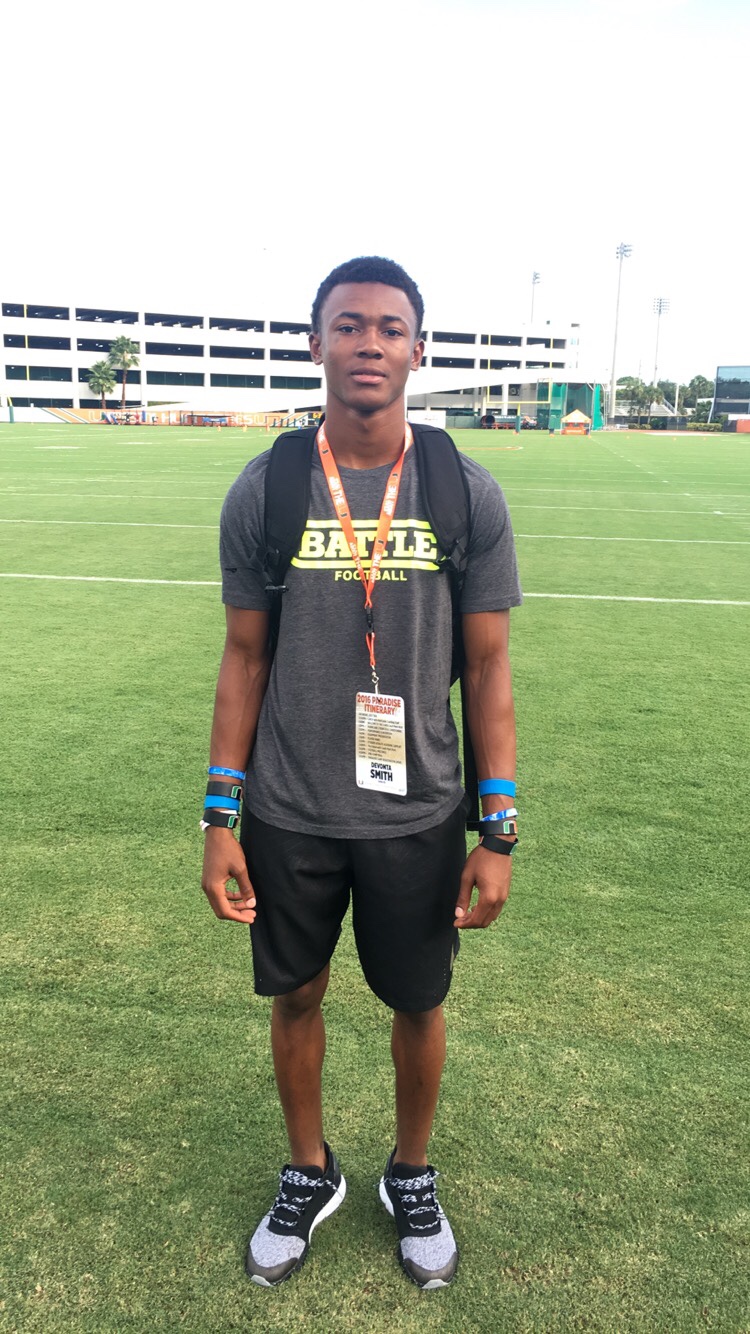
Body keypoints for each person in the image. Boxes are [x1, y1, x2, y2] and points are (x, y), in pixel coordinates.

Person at [201, 256, 522, 1290]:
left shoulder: (463, 490)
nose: (369, 343)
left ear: (419, 349)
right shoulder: (269, 487)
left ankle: (411, 1172)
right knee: (296, 992)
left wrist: (498, 832)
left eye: (389, 327)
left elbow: (489, 667)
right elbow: (244, 655)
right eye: (348, 325)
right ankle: (309, 1168)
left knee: (417, 1000)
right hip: (291, 806)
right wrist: (218, 817)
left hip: (417, 810)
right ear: (316, 345)